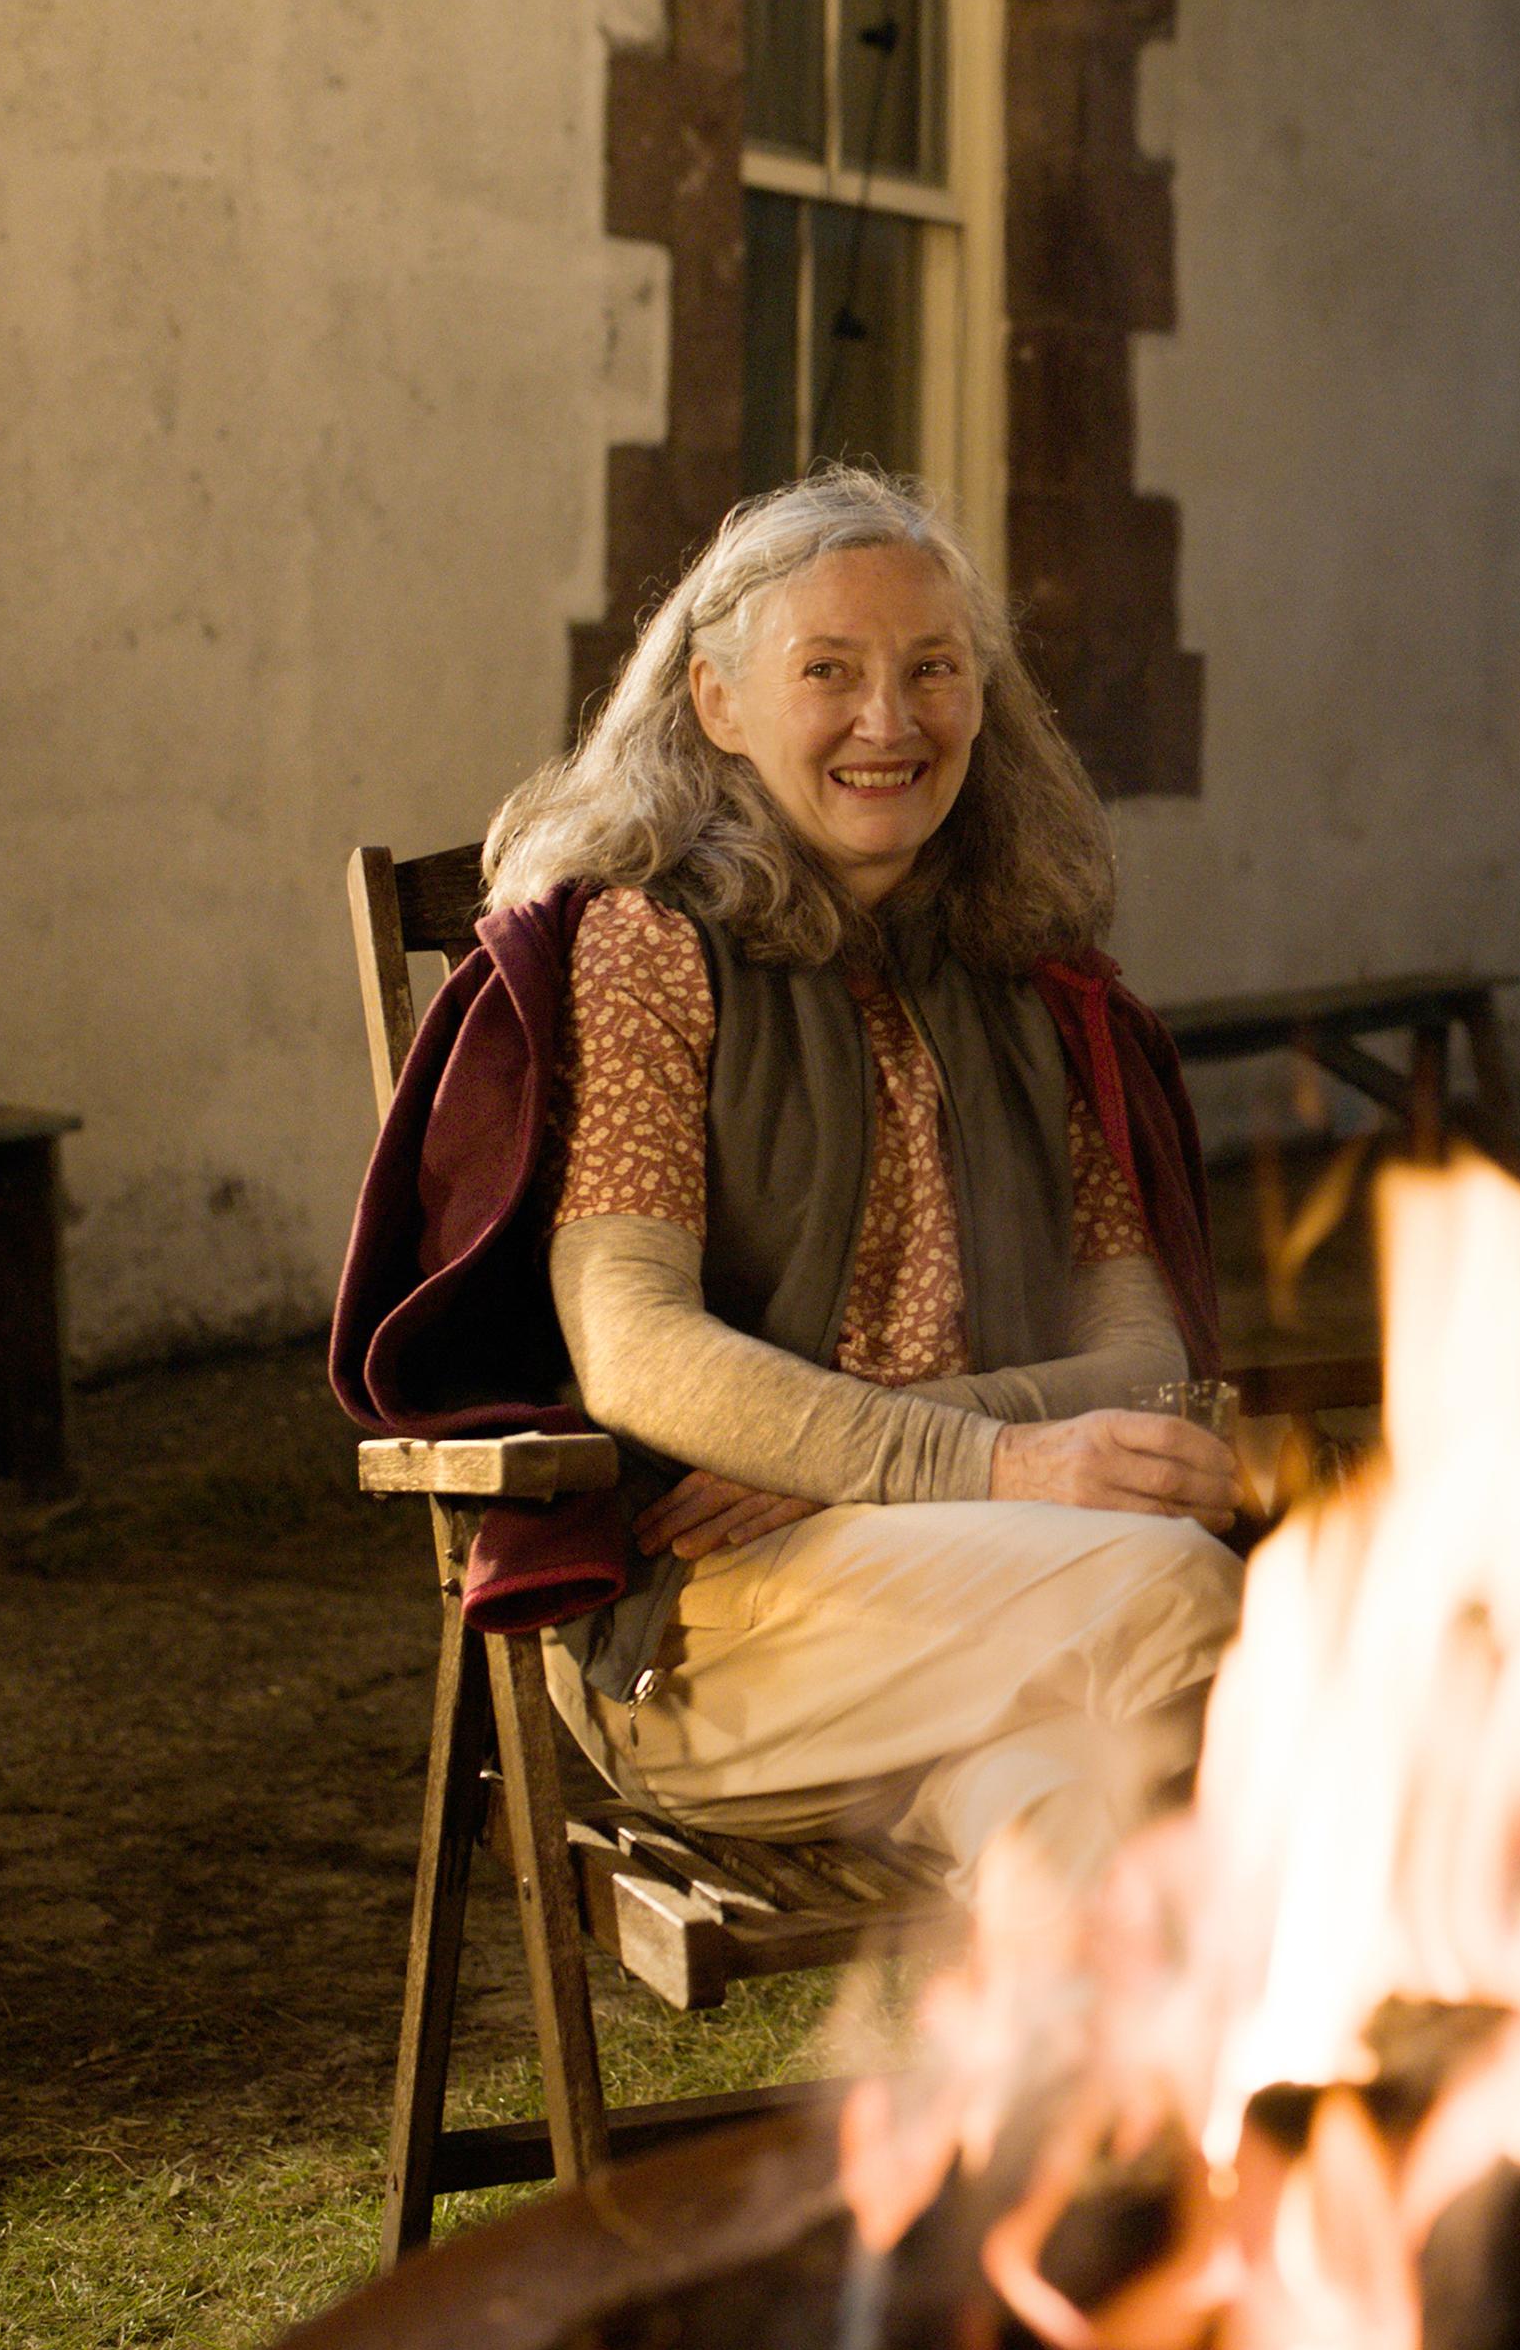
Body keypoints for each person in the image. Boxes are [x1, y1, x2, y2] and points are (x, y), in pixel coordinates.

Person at [333, 469, 1242, 1887]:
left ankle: (1040, 2103)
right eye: (830, 671)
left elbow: (1137, 1353)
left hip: (1006, 1608)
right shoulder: (648, 946)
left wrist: (873, 1450)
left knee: (1075, 1814)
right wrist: (993, 1456)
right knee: (1190, 1596)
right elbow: (637, 1353)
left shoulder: (1030, 978)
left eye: (934, 670)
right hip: (711, 1632)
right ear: (716, 701)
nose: (892, 721)